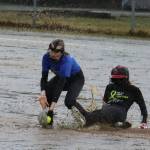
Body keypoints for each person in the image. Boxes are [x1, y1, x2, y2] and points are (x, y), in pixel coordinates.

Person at [75, 65, 148, 129]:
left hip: (119, 113)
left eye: (119, 80)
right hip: (107, 112)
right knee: (92, 116)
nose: (117, 82)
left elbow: (143, 109)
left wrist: (143, 123)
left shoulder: (134, 90)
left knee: (92, 118)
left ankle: (118, 125)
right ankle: (118, 126)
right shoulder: (109, 87)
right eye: (115, 79)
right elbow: (105, 104)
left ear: (126, 78)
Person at [38, 39, 85, 127]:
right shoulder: (46, 57)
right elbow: (44, 78)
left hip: (76, 79)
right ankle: (49, 120)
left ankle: (86, 117)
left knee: (69, 101)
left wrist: (52, 109)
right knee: (47, 92)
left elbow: (60, 86)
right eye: (51, 52)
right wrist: (43, 94)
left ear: (62, 53)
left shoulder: (66, 60)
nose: (53, 55)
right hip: (61, 77)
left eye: (56, 54)